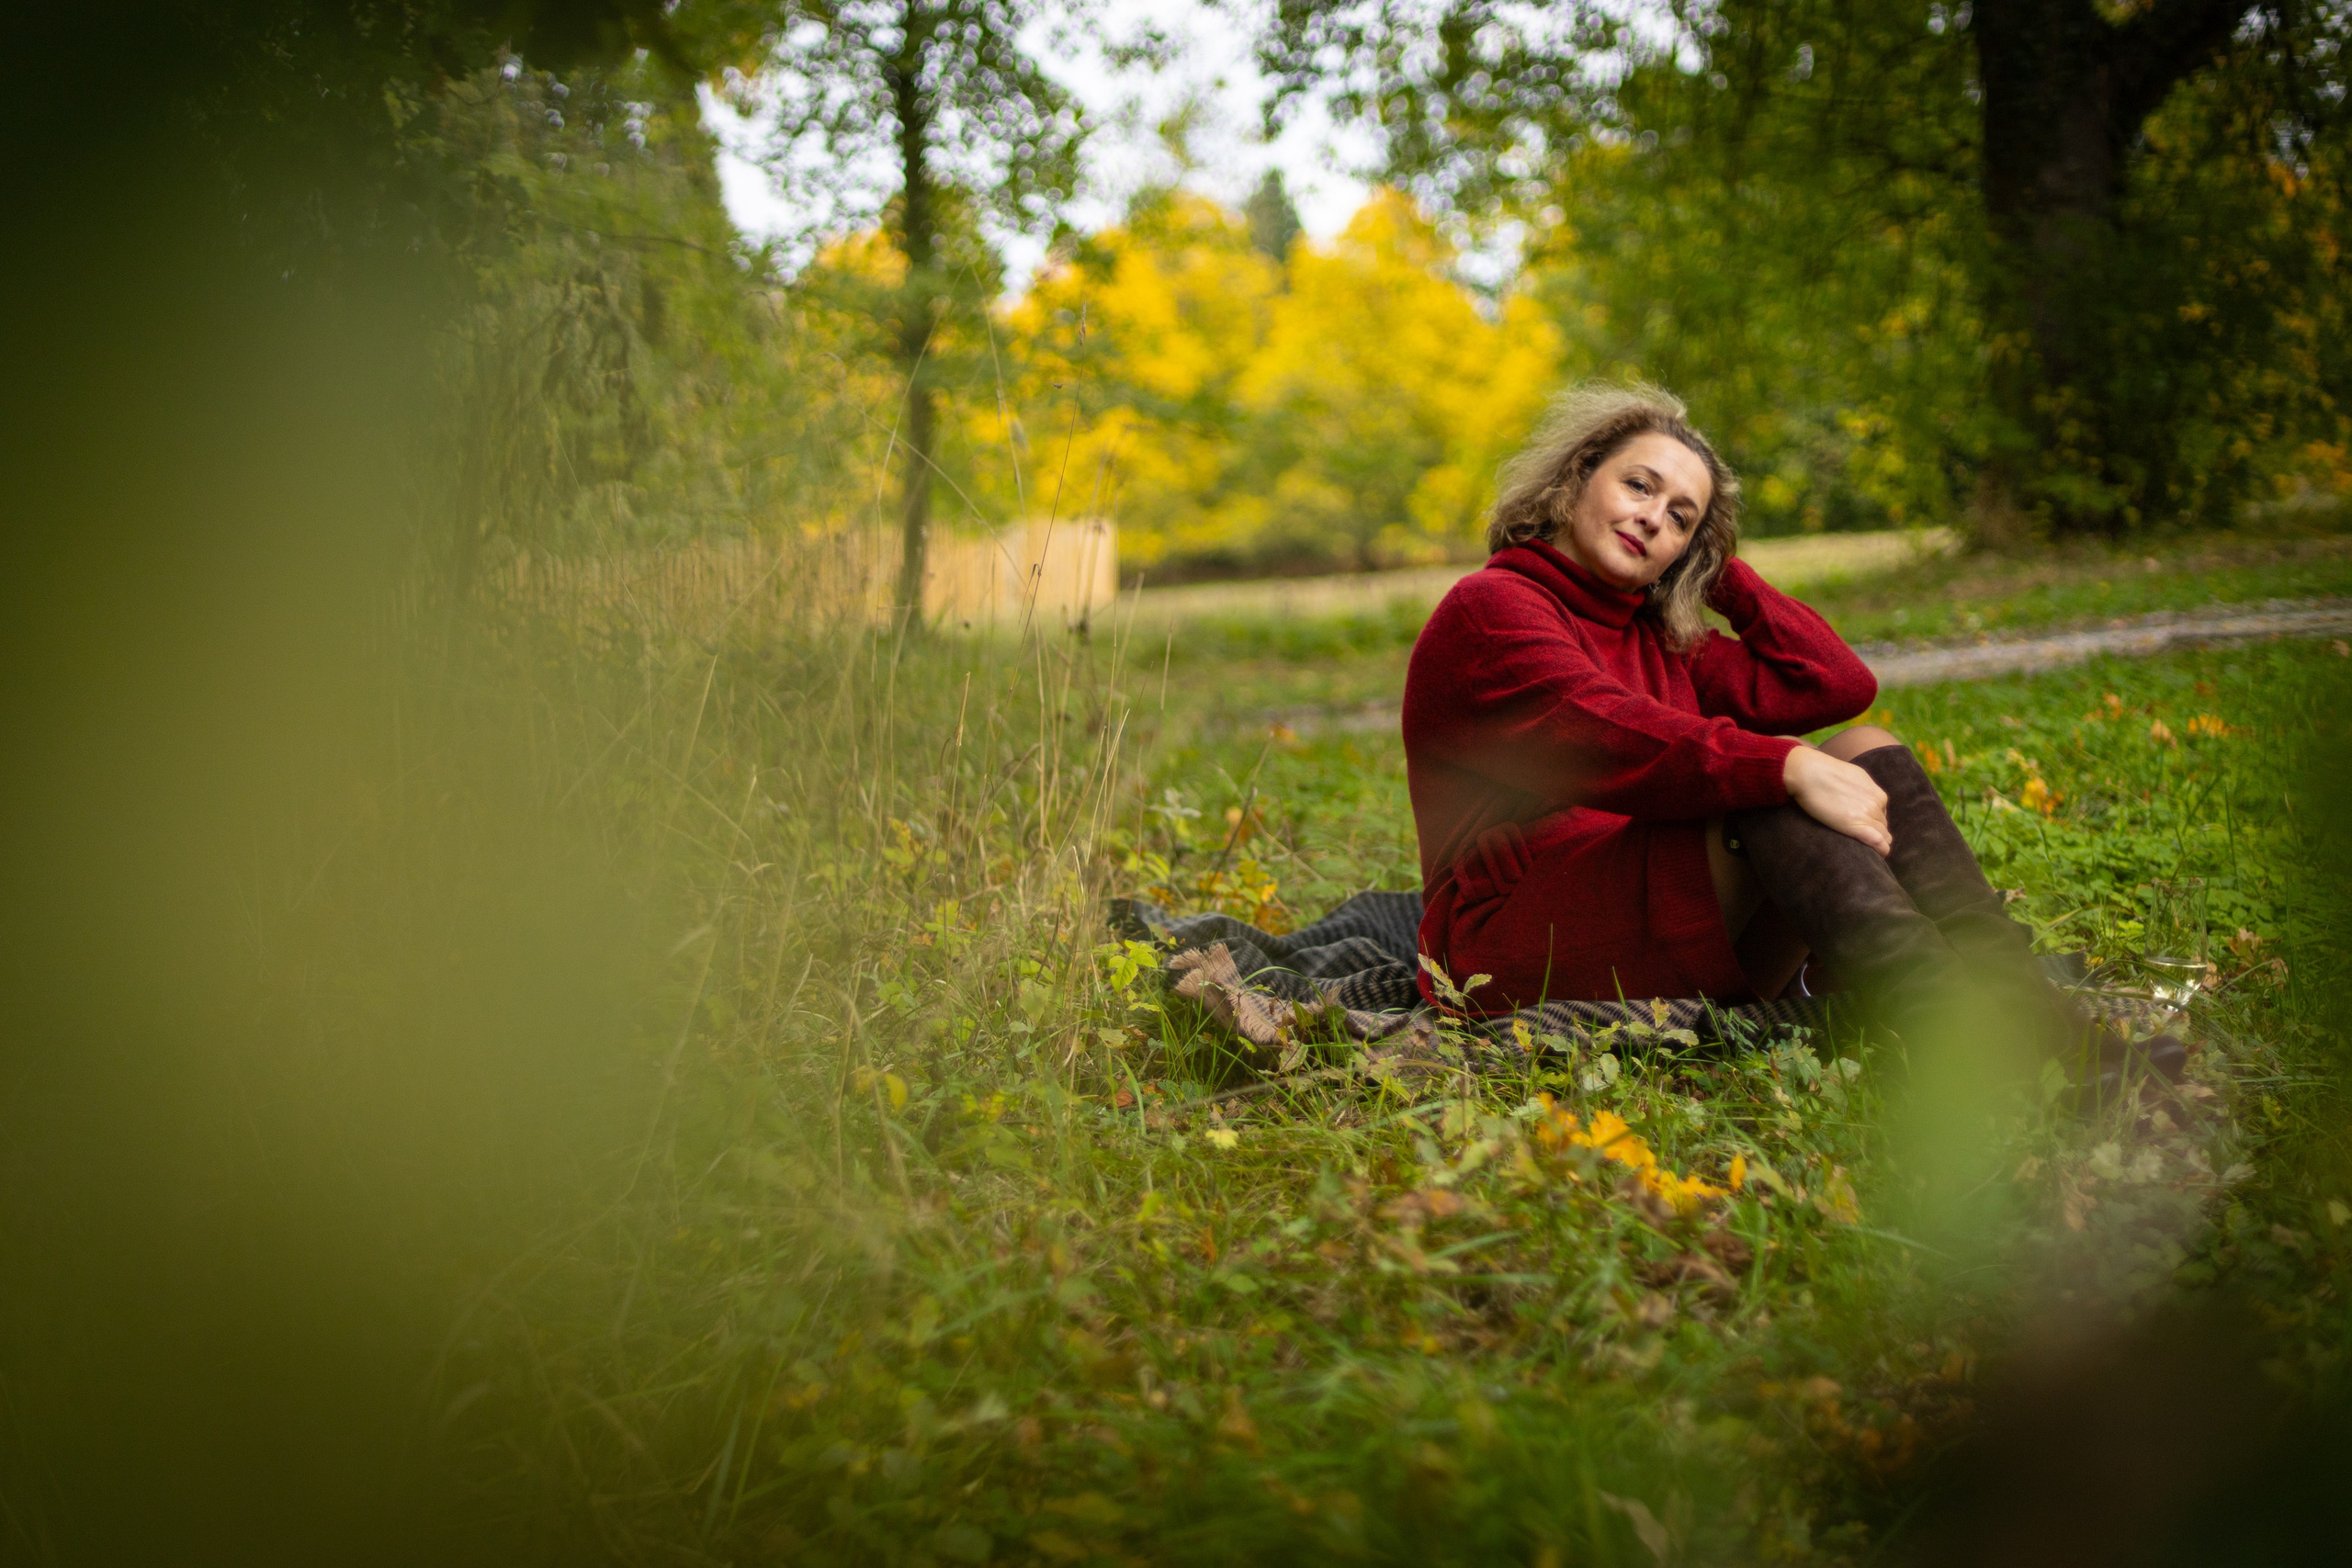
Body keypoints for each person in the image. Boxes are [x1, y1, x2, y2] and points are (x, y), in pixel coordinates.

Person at [1401, 383, 2183, 1078]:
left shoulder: (1653, 631)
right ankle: (1970, 1048)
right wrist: (1785, 768)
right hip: (1505, 941)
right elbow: (1607, 733)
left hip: (1642, 902)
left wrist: (1718, 569)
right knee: (1769, 783)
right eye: (1638, 485)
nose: (1651, 518)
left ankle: (2036, 1025)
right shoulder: (1492, 610)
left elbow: (1835, 682)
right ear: (1577, 478)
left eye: (1680, 517)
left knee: (1864, 748)